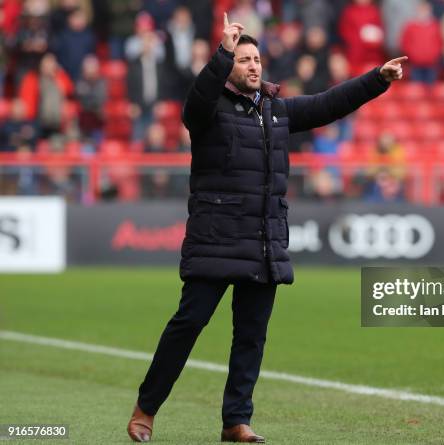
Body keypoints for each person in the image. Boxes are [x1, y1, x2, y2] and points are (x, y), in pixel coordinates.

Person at [126, 12, 407, 443]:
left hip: (262, 242)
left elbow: (328, 103)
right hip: (216, 239)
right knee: (187, 324)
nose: (253, 65)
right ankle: (146, 408)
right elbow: (196, 100)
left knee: (251, 338)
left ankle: (235, 420)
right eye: (243, 60)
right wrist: (222, 51)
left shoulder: (275, 111)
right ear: (228, 68)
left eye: (256, 59)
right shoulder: (207, 111)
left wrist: (377, 79)